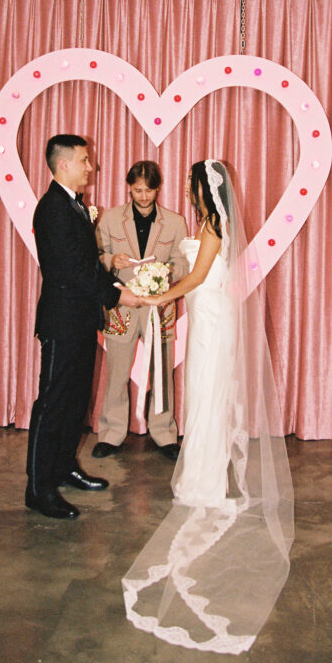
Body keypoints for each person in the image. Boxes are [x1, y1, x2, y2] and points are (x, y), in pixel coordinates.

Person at [122, 160, 294, 653]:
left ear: (205, 189)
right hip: (204, 319)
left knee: (209, 397)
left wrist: (155, 299)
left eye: (194, 185)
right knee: (202, 397)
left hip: (212, 318)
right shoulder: (203, 222)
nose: (190, 191)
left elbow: (198, 278)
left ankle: (207, 482)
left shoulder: (215, 227)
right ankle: (205, 473)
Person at [25, 134, 141, 520]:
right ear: (64, 166)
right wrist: (118, 297)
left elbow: (85, 262)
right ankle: (38, 488)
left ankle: (63, 466)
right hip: (62, 321)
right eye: (85, 160)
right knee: (52, 402)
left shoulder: (74, 204)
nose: (91, 167)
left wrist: (110, 270)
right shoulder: (53, 209)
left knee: (75, 400)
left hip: (79, 319)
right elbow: (73, 271)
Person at [93, 161, 188, 460]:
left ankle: (164, 434)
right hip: (122, 305)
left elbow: (184, 263)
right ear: (128, 187)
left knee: (162, 373)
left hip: (160, 307)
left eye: (149, 190)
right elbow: (94, 256)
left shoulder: (175, 222)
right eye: (137, 190)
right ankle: (111, 433)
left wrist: (162, 274)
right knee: (117, 372)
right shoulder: (109, 219)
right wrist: (111, 261)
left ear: (158, 188)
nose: (143, 196)